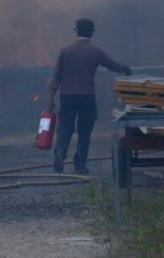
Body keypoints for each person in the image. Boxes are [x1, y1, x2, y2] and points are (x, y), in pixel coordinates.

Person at [47, 18, 131, 175]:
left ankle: (60, 154)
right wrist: (124, 69)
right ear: (91, 33)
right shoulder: (95, 51)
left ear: (76, 31)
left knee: (65, 127)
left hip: (67, 96)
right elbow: (112, 65)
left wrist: (51, 98)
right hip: (87, 96)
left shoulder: (65, 50)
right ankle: (80, 164)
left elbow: (56, 77)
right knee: (85, 131)